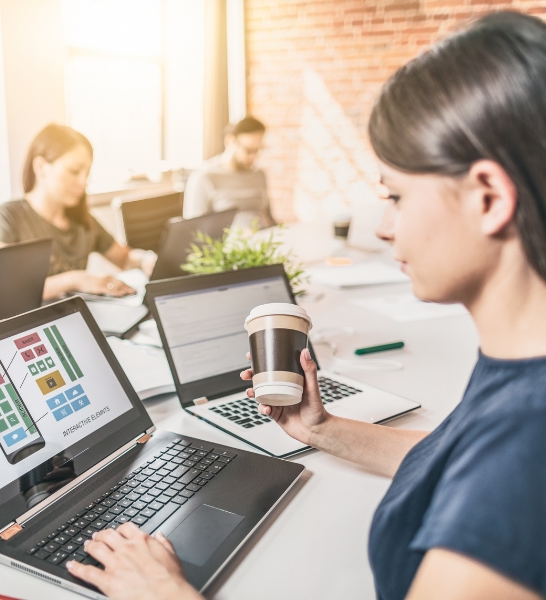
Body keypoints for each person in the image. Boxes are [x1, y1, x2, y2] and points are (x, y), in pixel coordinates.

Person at [65, 11, 546, 600]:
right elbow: (453, 457)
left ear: (489, 198)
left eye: (396, 195)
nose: (388, 226)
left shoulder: (526, 448)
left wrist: (162, 593)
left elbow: (498, 481)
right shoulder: (520, 368)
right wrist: (322, 429)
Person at [0, 124, 154, 300]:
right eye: (74, 171)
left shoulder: (83, 221)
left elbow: (124, 259)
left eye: (87, 174)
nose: (83, 182)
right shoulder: (7, 217)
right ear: (41, 167)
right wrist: (75, 280)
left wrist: (145, 259)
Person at [183, 115, 273, 229]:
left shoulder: (259, 175)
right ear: (230, 141)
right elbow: (193, 228)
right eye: (249, 150)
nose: (254, 157)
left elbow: (269, 218)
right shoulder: (204, 176)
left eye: (258, 150)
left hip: (264, 241)